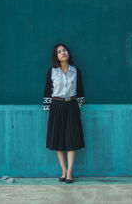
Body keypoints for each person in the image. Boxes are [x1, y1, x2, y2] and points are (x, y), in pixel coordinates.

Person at [43, 43, 86, 184]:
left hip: (72, 105)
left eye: (64, 50)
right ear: (56, 56)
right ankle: (63, 170)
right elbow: (47, 91)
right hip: (57, 105)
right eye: (59, 51)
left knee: (72, 139)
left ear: (68, 53)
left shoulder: (76, 71)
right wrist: (49, 108)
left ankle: (70, 172)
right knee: (58, 139)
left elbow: (79, 89)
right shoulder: (52, 71)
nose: (63, 53)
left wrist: (78, 107)